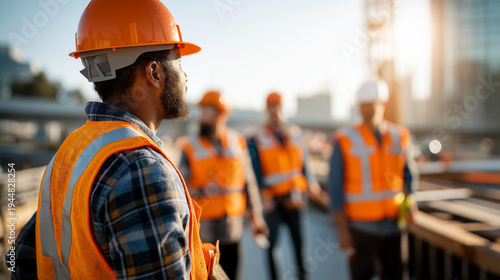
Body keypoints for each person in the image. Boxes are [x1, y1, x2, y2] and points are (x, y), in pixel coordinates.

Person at [5, 0, 219, 279]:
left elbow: (22, 258)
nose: (186, 76)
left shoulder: (71, 151)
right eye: (179, 61)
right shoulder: (141, 170)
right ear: (155, 73)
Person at [328, 80, 418, 280]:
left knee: (396, 274)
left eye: (372, 104)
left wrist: (411, 201)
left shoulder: (400, 135)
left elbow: (409, 174)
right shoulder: (344, 139)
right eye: (364, 105)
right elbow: (335, 189)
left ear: (383, 105)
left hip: (394, 224)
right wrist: (342, 231)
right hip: (360, 228)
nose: (368, 110)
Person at [177, 91, 269, 280]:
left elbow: (248, 183)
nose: (201, 117)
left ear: (221, 114)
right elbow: (180, 190)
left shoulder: (238, 142)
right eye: (200, 111)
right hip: (203, 232)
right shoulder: (190, 145)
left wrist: (256, 218)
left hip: (232, 229)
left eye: (206, 112)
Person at [247, 92, 329, 280]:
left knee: (300, 247)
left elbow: (304, 167)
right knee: (271, 247)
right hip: (272, 202)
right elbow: (254, 173)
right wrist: (261, 200)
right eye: (271, 106)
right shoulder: (257, 137)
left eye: (278, 106)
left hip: (294, 200)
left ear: (283, 108)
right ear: (266, 109)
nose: (275, 110)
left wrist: (312, 189)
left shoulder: (296, 134)